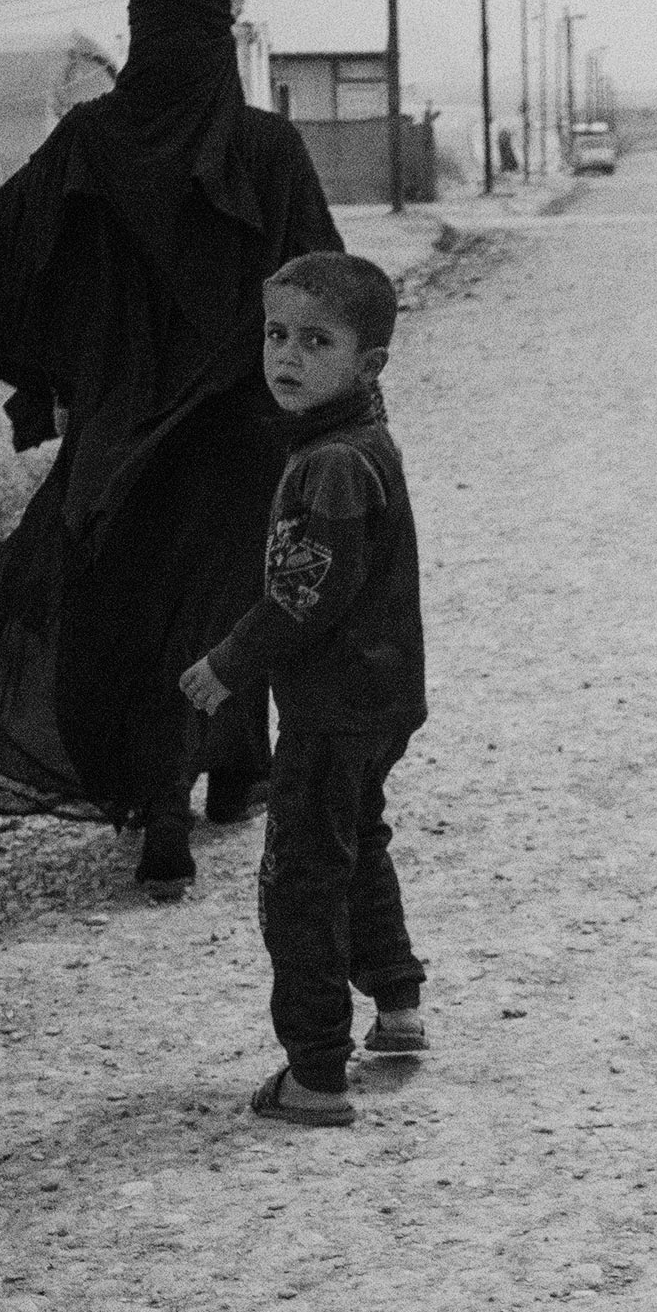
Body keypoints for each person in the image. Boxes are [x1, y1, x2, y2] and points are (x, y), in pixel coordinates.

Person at [0, 0, 342, 895]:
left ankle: (174, 800)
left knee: (130, 613)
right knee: (228, 601)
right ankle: (232, 777)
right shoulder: (267, 148)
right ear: (218, 31)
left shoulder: (89, 139)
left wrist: (53, 369)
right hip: (244, 431)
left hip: (119, 435)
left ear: (137, 24)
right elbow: (326, 282)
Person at [179, 252, 428, 1128]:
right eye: (276, 333)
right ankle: (398, 1005)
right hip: (382, 698)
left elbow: (302, 592)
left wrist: (227, 666)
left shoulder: (328, 463)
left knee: (300, 881)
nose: (286, 355)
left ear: (369, 366)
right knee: (356, 838)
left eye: (317, 341)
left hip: (334, 707)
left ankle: (315, 1073)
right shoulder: (359, 441)